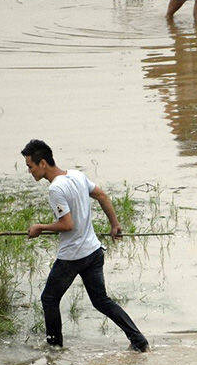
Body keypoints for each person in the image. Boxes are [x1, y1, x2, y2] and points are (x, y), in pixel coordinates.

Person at [22, 139, 149, 352]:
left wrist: (39, 228)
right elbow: (101, 195)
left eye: (30, 166)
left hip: (73, 257)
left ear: (42, 163)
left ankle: (55, 348)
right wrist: (115, 224)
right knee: (101, 301)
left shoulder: (55, 189)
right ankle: (139, 340)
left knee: (49, 298)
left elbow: (67, 224)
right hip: (93, 252)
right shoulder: (77, 175)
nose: (29, 171)